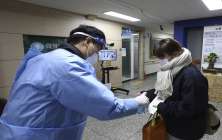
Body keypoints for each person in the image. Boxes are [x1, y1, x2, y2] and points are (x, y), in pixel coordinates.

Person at [0, 25, 149, 140]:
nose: (96, 55)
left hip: (15, 130)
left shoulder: (44, 58)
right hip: (36, 134)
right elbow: (107, 107)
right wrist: (138, 102)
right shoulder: (67, 65)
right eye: (97, 50)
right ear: (87, 41)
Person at [146, 38, 208, 140]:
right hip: (173, 124)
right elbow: (168, 90)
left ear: (175, 54)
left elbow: (190, 108)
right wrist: (149, 94)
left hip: (185, 131)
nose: (160, 61)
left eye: (162, 57)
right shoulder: (173, 69)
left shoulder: (192, 77)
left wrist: (162, 106)